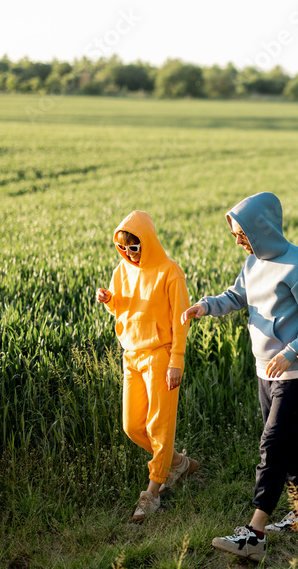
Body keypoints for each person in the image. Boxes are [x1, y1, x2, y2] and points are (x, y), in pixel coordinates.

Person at [181, 192, 298, 562]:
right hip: (264, 372)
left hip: (292, 374)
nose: (237, 240)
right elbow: (236, 296)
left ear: (260, 228)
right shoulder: (252, 263)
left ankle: (255, 533)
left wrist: (290, 352)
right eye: (235, 234)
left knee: (272, 447)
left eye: (241, 233)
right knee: (288, 446)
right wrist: (205, 306)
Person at [96, 210, 199, 523]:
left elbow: (182, 321)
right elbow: (125, 307)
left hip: (161, 356)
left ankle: (151, 495)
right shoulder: (121, 270)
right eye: (124, 248)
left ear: (148, 241)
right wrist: (110, 300)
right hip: (132, 356)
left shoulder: (171, 272)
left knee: (159, 427)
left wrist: (176, 361)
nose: (130, 254)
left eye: (135, 247)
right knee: (132, 426)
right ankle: (178, 463)